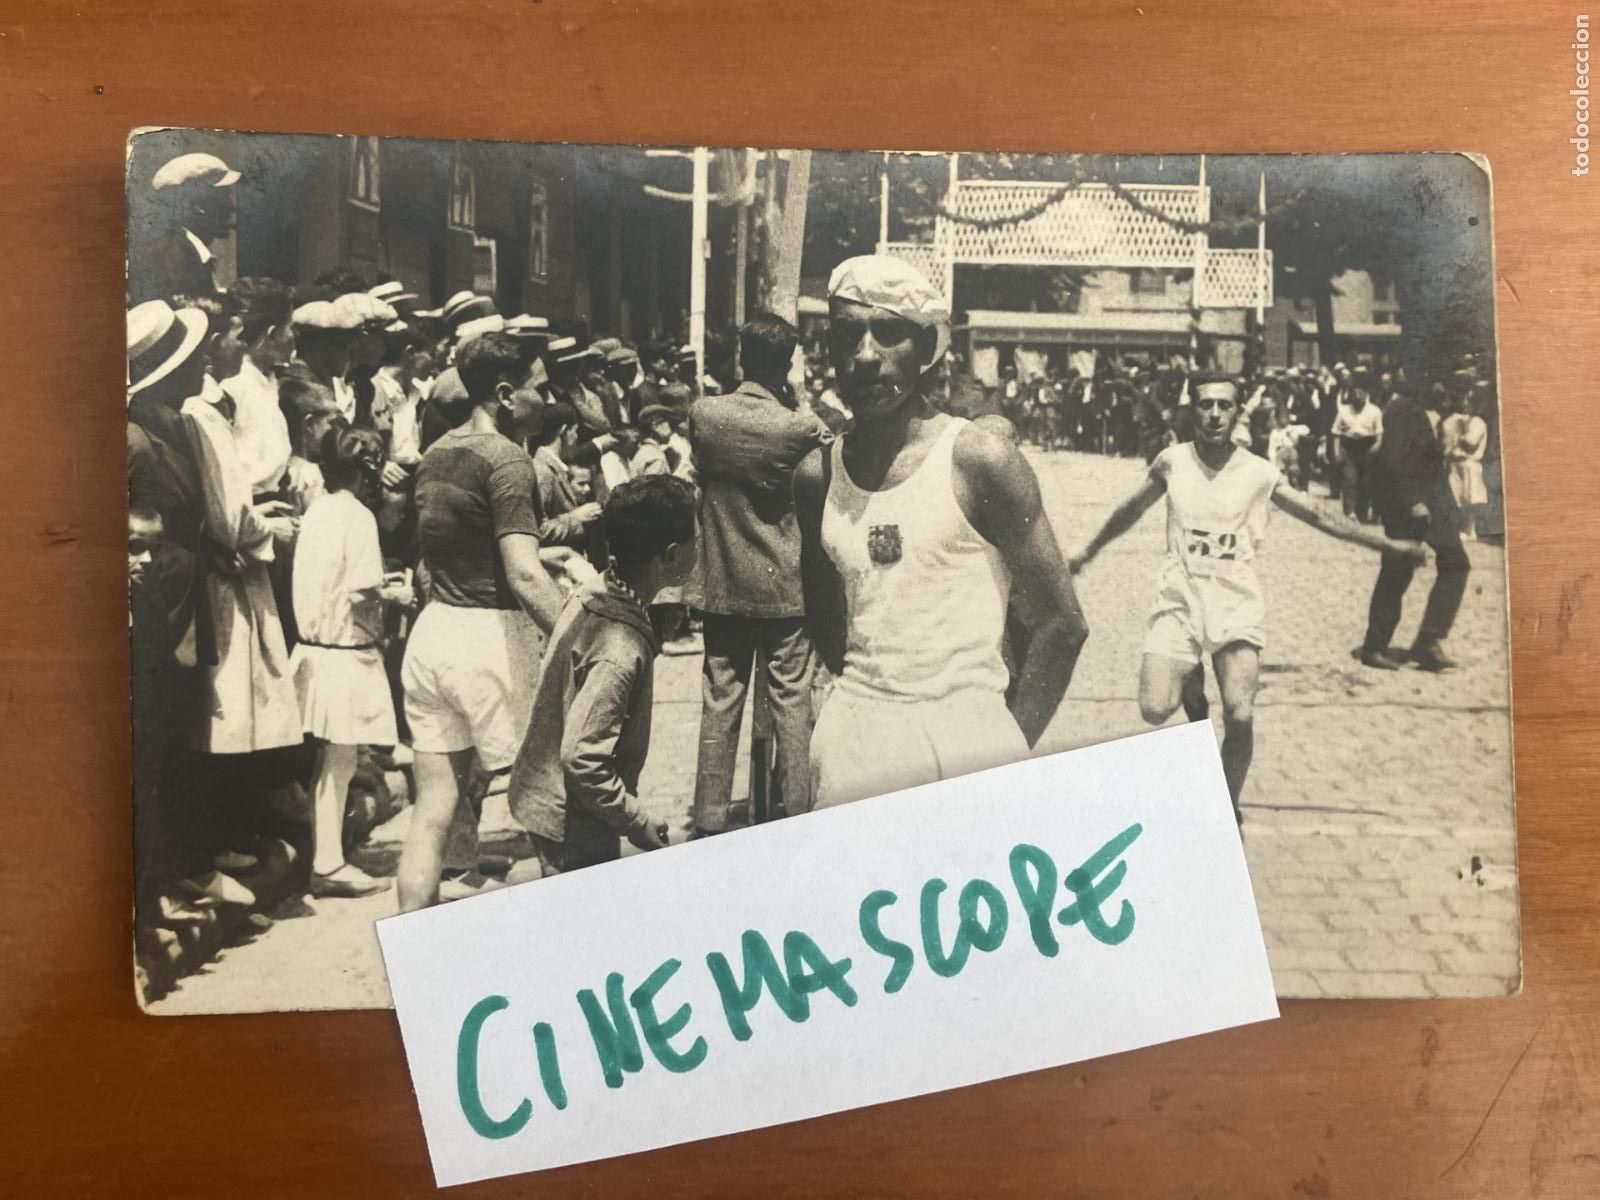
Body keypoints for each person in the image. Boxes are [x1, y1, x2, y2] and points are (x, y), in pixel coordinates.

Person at [795, 256, 1089, 809]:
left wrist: (1006, 747)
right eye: (847, 335)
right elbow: (828, 625)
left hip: (964, 741)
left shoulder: (979, 461)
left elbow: (1063, 625)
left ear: (926, 347)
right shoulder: (817, 476)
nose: (865, 355)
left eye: (888, 333)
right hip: (852, 745)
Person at [1069, 374, 1424, 821]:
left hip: (1234, 600)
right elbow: (1130, 509)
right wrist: (1088, 550)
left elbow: (1319, 515)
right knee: (1155, 709)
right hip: (1180, 598)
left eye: (1224, 405)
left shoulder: (1259, 472)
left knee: (1239, 715)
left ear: (1238, 412)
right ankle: (1193, 687)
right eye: (1206, 405)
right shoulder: (1172, 462)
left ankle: (1224, 803)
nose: (1214, 415)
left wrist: (1389, 546)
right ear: (1193, 411)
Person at [395, 332, 566, 911]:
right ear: (506, 394)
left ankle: (412, 941)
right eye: (541, 388)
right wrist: (580, 634)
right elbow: (522, 574)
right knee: (547, 807)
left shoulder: (436, 453)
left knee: (431, 814)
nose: (549, 399)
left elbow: (443, 555)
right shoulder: (509, 460)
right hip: (489, 641)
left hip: (433, 635)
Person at [507, 475, 698, 875]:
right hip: (572, 819)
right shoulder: (620, 649)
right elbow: (582, 759)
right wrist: (637, 820)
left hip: (558, 801)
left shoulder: (599, 589)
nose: (701, 548)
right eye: (696, 541)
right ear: (670, 556)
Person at [689, 313, 832, 835]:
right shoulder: (798, 427)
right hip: (784, 586)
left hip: (723, 584)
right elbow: (827, 467)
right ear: (787, 363)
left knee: (720, 701)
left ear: (741, 357)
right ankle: (794, 816)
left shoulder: (705, 414)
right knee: (791, 701)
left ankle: (708, 819)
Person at [291, 426, 411, 898]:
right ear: (367, 472)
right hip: (343, 653)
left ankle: (328, 856)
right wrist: (397, 595)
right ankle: (328, 864)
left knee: (332, 763)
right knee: (338, 763)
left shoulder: (317, 511)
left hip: (315, 648)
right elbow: (362, 590)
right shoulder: (358, 517)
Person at [1359, 375, 1472, 672]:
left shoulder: (1430, 413)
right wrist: (1413, 502)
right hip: (1406, 505)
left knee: (1455, 563)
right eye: (1443, 387)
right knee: (1397, 571)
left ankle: (1428, 641)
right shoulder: (1402, 410)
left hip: (1433, 504)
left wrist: (1450, 510)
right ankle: (1374, 647)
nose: (1446, 395)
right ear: (1428, 381)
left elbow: (1433, 467)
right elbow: (1391, 461)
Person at [218, 277, 296, 502]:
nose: (294, 336)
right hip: (249, 504)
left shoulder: (268, 379)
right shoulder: (233, 385)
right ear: (273, 334)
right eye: (291, 328)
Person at [130, 153, 239, 304]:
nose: (232, 207)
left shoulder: (186, 249)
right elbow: (182, 308)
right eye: (224, 197)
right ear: (198, 204)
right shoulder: (173, 253)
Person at [1330, 367, 1383, 522]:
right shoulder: (1344, 411)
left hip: (1367, 448)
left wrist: (1377, 446)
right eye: (1354, 393)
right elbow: (1335, 433)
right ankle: (1350, 512)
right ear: (1351, 394)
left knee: (1365, 482)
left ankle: (1362, 512)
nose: (1357, 396)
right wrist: (1336, 451)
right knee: (1350, 479)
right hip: (1349, 448)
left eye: (1361, 393)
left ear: (1366, 394)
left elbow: (1379, 433)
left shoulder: (1374, 411)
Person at [1440, 377, 1489, 540]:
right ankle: (1460, 528)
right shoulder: (1457, 420)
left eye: (1469, 401)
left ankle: (1470, 530)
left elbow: (1470, 442)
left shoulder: (1478, 422)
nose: (1466, 403)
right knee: (1458, 496)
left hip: (1470, 463)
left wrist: (1460, 433)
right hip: (1457, 464)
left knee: (1470, 498)